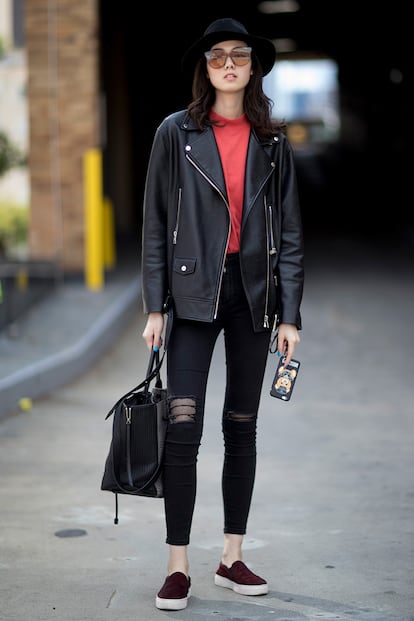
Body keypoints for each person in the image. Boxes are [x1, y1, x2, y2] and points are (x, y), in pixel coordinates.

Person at [141, 17, 304, 611]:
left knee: (241, 426)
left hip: (254, 298)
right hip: (190, 297)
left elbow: (288, 231)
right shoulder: (174, 133)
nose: (229, 64)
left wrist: (290, 314)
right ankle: (177, 564)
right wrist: (153, 305)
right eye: (217, 57)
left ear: (253, 67)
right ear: (205, 68)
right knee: (183, 427)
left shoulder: (273, 141)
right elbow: (156, 224)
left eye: (239, 55)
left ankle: (231, 556)